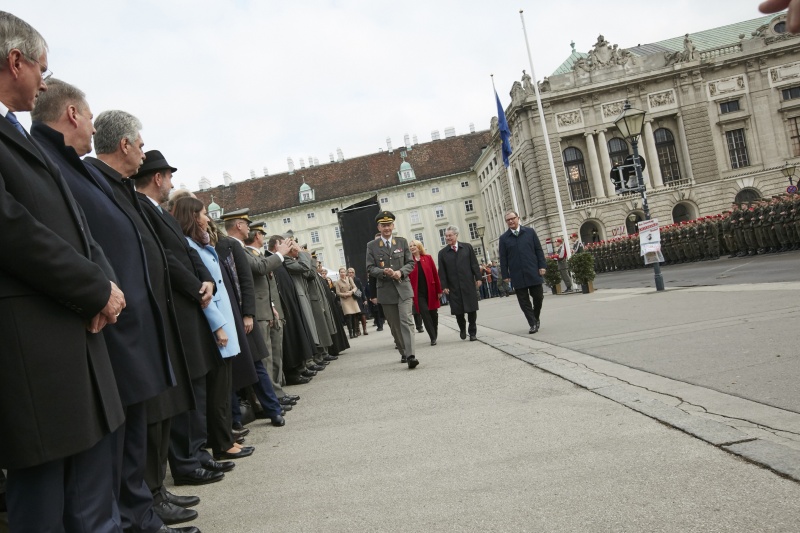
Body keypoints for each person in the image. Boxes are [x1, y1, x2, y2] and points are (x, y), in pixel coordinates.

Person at [33, 87, 197, 531]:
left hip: (134, 321)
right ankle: (137, 517)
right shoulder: (80, 175)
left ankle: (142, 513)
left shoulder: (106, 183)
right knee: (121, 440)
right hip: (112, 323)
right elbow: (83, 243)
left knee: (137, 433)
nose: (143, 151)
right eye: (140, 143)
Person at [0, 12, 125, 532]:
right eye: (41, 70)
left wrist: (106, 285)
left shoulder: (19, 135)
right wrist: (95, 288)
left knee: (92, 499)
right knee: (45, 505)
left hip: (74, 336)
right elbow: (12, 229)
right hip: (35, 350)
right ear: (15, 61)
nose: (44, 82)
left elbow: (72, 223)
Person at [173, 197, 254, 462]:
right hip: (214, 321)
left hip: (223, 317)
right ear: (193, 217)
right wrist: (218, 326)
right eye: (204, 214)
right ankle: (222, 443)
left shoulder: (200, 243)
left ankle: (225, 438)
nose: (208, 218)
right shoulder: (188, 245)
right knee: (218, 389)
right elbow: (201, 291)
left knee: (224, 386)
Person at [366, 211, 419, 368]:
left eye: (389, 225)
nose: (387, 228)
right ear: (379, 227)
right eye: (383, 225)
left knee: (406, 321)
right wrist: (384, 272)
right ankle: (403, 351)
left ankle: (411, 355)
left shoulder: (402, 242)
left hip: (403, 289)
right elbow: (369, 268)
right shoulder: (372, 246)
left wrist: (399, 272)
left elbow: (411, 263)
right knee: (395, 326)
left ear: (393, 225)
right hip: (386, 291)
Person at [499, 211, 547, 334]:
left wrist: (542, 265)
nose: (510, 221)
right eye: (508, 220)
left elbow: (538, 250)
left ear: (518, 218)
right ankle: (532, 324)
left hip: (533, 270)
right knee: (524, 301)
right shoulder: (504, 238)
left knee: (538, 297)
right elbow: (503, 258)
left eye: (512, 218)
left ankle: (536, 317)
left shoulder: (530, 232)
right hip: (517, 274)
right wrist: (505, 275)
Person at [438, 225, 482, 341]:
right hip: (454, 287)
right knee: (458, 311)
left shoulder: (467, 247)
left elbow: (474, 264)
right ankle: (462, 328)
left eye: (450, 235)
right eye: (446, 236)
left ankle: (472, 332)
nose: (447, 238)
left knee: (472, 310)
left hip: (468, 284)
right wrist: (444, 286)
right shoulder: (442, 253)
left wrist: (478, 278)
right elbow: (441, 272)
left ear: (456, 235)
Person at [409, 239, 442, 346]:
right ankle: (432, 337)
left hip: (430, 290)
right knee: (424, 313)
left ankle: (435, 333)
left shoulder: (427, 258)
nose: (412, 247)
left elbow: (435, 274)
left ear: (419, 247)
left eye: (414, 245)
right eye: (410, 246)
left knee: (433, 314)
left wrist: (439, 290)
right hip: (418, 293)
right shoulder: (409, 262)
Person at [335, 267, 361, 338]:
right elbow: (337, 292)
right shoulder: (337, 282)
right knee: (348, 316)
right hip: (345, 300)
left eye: (343, 272)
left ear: (345, 273)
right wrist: (344, 295)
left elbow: (355, 287)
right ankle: (350, 332)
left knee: (354, 316)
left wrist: (351, 292)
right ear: (339, 273)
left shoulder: (349, 279)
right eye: (341, 272)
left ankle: (355, 331)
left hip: (352, 298)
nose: (342, 273)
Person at [347, 267, 369, 336]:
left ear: (354, 273)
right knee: (355, 315)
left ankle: (364, 329)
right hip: (351, 299)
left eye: (352, 272)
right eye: (349, 272)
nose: (350, 274)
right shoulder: (346, 280)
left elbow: (361, 289)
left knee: (362, 314)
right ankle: (357, 330)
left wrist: (364, 299)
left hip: (359, 297)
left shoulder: (357, 280)